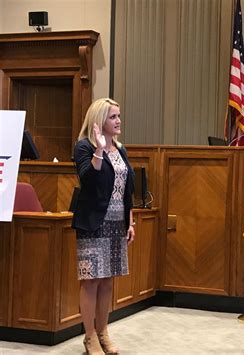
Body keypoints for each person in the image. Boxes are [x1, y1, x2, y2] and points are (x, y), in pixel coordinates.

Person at [72, 98, 135, 355]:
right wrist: (99, 149)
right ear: (99, 120)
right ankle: (89, 338)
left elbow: (128, 189)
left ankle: (103, 332)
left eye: (119, 116)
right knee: (91, 280)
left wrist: (129, 221)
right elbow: (88, 179)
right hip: (93, 223)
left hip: (117, 222)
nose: (118, 121)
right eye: (113, 117)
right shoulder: (84, 147)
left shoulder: (121, 149)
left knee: (107, 280)